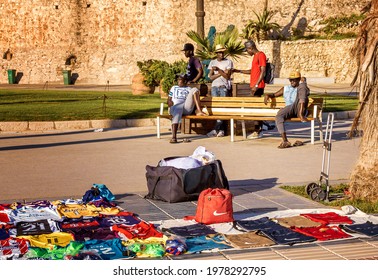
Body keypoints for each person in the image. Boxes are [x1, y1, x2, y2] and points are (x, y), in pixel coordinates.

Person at [264, 70, 310, 149]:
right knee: (279, 116)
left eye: (294, 79)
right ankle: (285, 141)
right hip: (290, 109)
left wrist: (303, 83)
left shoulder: (302, 88)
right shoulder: (285, 88)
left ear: (299, 79)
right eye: (290, 80)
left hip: (300, 108)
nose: (292, 81)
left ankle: (301, 114)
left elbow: (305, 94)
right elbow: (274, 94)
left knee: (300, 91)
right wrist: (267, 95)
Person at [232, 40, 267, 139]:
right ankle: (257, 130)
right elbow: (253, 71)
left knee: (256, 108)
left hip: (258, 87)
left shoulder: (261, 55)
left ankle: (258, 131)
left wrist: (256, 85)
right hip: (254, 86)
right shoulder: (255, 57)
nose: (247, 52)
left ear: (250, 48)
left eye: (247, 50)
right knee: (254, 108)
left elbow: (263, 71)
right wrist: (238, 71)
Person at [167, 74, 208, 143]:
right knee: (178, 108)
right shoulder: (174, 88)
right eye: (178, 80)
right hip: (175, 107)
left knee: (194, 89)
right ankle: (174, 137)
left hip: (186, 108)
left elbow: (192, 100)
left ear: (185, 81)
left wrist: (195, 110)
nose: (179, 81)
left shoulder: (188, 89)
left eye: (181, 80)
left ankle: (199, 111)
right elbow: (168, 99)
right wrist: (169, 102)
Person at [206, 44, 234, 138]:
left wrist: (218, 71)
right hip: (214, 87)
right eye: (219, 53)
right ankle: (220, 130)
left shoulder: (228, 62)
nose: (221, 54)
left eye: (222, 52)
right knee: (217, 108)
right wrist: (221, 72)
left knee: (222, 107)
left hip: (223, 87)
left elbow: (227, 76)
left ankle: (217, 129)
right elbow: (210, 77)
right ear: (216, 53)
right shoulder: (212, 62)